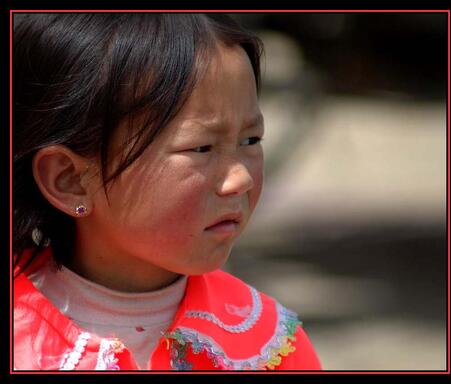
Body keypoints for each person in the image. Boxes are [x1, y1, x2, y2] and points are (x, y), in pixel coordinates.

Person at [13, 13, 322, 371]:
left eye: (250, 140)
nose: (240, 179)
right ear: (70, 180)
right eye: (201, 148)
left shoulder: (269, 345)